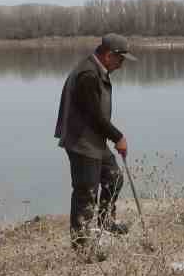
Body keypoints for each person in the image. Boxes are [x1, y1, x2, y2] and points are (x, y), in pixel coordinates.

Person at [54, 33, 135, 253]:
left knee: (114, 178)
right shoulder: (88, 75)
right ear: (109, 55)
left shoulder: (97, 69)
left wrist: (112, 136)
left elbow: (97, 119)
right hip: (81, 141)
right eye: (121, 59)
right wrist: (118, 137)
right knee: (86, 193)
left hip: (94, 139)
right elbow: (94, 116)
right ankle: (82, 247)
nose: (122, 64)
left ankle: (105, 221)